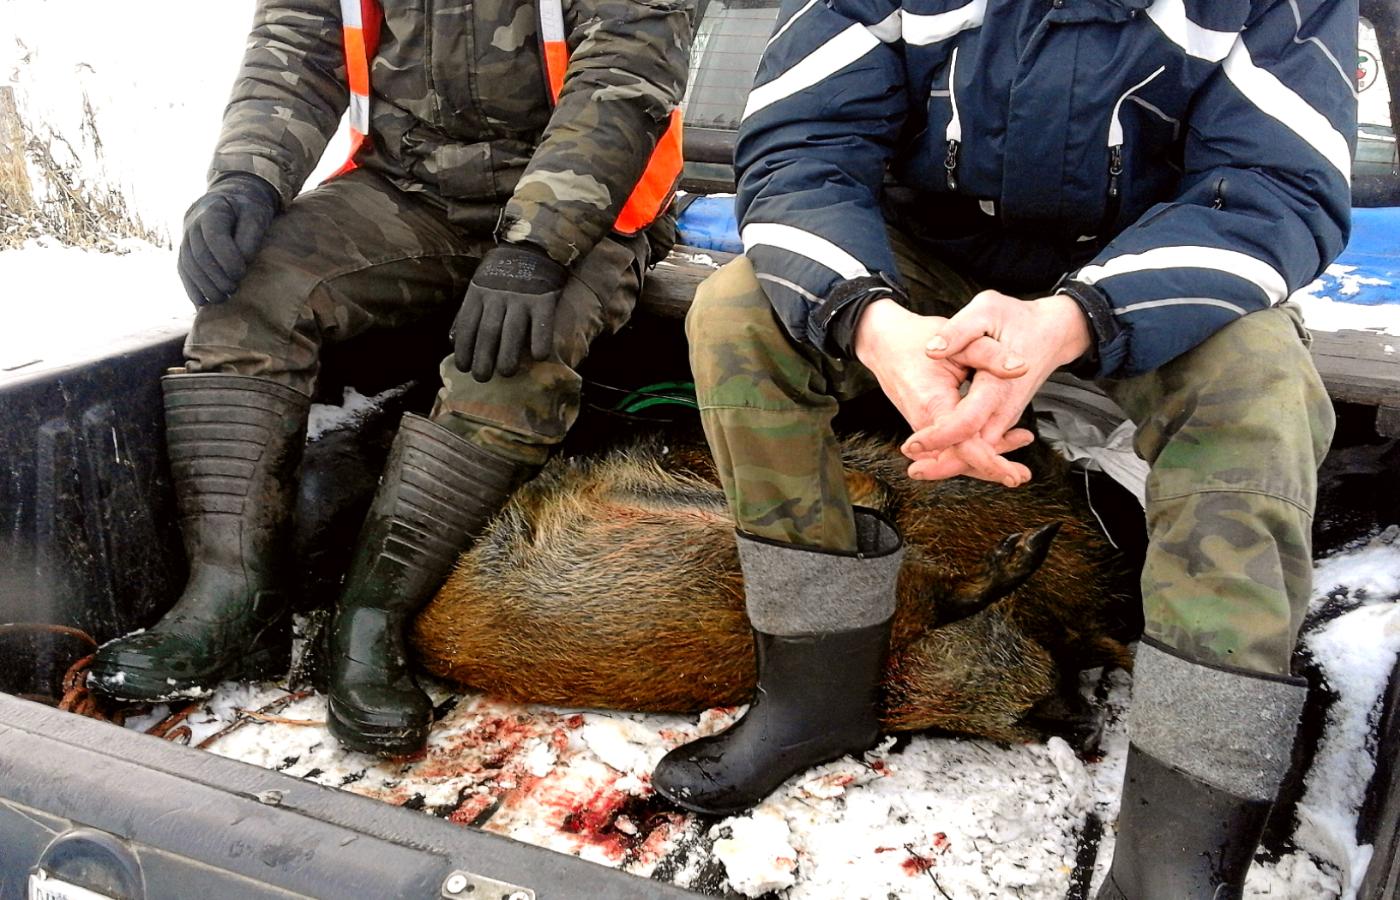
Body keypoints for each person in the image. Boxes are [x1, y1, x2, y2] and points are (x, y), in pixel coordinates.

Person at [653, 1, 1355, 897]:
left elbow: (1277, 187)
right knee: (739, 315)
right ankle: (814, 696)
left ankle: (1177, 853)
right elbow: (803, 147)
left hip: (1162, 267)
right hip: (923, 255)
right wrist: (870, 320)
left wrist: (1076, 319)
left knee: (1260, 391)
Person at [87, 0, 692, 758]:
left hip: (587, 210)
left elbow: (624, 66)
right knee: (251, 294)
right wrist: (246, 175)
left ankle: (373, 621)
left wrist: (538, 243)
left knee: (514, 357)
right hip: (407, 188)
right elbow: (297, 38)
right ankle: (232, 597)